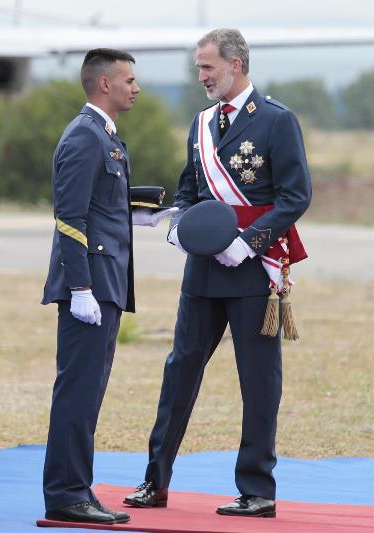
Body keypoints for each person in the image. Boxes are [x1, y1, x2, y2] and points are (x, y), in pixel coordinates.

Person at [124, 28, 312, 519]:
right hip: (204, 270)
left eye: (208, 67)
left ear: (237, 64)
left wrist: (247, 243)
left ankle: (257, 490)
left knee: (259, 381)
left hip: (254, 274)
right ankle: (155, 481)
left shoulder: (276, 120)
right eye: (199, 68)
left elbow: (296, 196)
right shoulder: (201, 122)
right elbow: (191, 188)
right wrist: (180, 225)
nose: (202, 77)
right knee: (179, 372)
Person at [40, 48, 139, 526]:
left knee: (88, 393)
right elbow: (70, 217)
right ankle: (65, 494)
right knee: (78, 392)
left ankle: (77, 487)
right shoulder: (85, 135)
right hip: (91, 286)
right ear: (104, 84)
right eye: (129, 80)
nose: (136, 88)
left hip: (106, 282)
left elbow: (100, 206)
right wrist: (80, 287)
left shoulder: (105, 135)